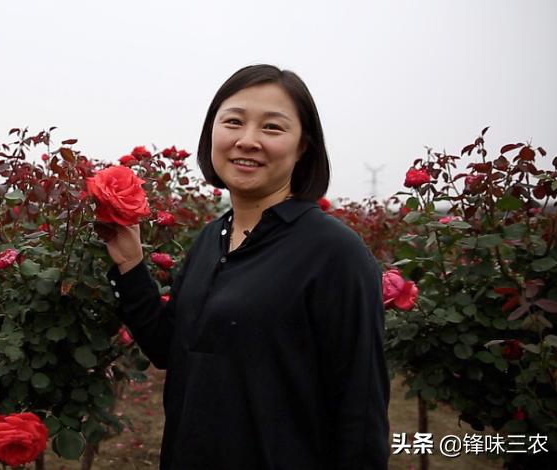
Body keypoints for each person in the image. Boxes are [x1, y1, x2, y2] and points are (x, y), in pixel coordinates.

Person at [103, 64, 390, 469]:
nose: (248, 140)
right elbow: (172, 348)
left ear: (303, 146)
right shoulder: (211, 238)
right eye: (233, 122)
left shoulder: (333, 253)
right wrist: (131, 264)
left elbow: (360, 408)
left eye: (272, 128)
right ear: (212, 133)